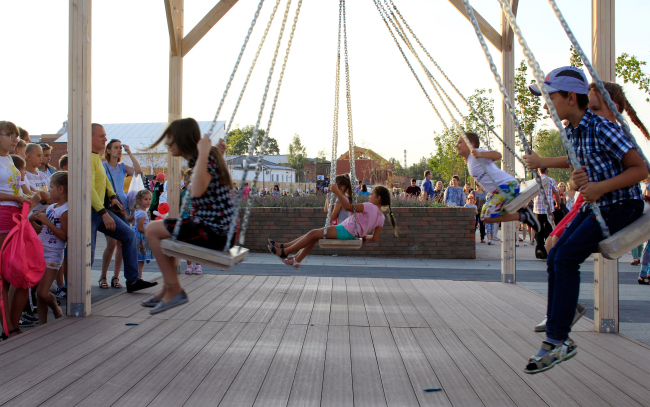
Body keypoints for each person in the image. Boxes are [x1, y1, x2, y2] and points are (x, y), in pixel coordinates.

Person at [521, 67, 648, 374]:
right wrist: (578, 179)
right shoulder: (574, 132)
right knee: (556, 253)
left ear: (570, 97)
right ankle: (558, 323)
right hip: (597, 206)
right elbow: (580, 161)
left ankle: (558, 339)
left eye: (550, 98)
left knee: (565, 257)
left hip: (620, 205)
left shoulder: (602, 127)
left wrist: (598, 187)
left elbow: (641, 168)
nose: (545, 106)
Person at [143, 118, 233, 314]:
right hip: (215, 228)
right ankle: (167, 288)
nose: (167, 144)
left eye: (171, 140)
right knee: (161, 231)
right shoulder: (206, 157)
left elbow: (198, 190)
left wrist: (203, 154)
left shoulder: (205, 157)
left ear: (182, 140)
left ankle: (173, 289)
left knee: (152, 230)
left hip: (214, 232)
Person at [90, 123, 157, 294]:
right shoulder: (92, 159)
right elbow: (88, 188)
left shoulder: (104, 161)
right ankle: (90, 282)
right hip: (94, 211)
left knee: (128, 235)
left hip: (110, 207)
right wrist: (103, 212)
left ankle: (132, 280)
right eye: (101, 136)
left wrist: (112, 197)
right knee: (91, 250)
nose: (105, 139)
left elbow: (105, 181)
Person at [269, 185, 397, 269]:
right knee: (314, 236)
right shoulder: (382, 217)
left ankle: (285, 251)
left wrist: (336, 192)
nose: (369, 196)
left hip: (347, 230)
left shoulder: (370, 207)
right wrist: (364, 237)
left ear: (378, 198)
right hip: (350, 232)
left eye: (372, 194)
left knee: (314, 233)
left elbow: (347, 207)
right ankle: (295, 258)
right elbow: (374, 238)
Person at [455, 133, 540, 243]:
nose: (456, 145)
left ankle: (523, 215)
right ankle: (521, 211)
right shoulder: (471, 159)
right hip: (499, 191)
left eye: (460, 142)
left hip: (507, 186)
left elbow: (497, 155)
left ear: (470, 144)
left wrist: (480, 154)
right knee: (484, 217)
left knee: (488, 217)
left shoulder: (477, 154)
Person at [99, 139, 142, 290]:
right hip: (110, 205)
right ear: (108, 150)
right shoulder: (103, 166)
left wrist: (130, 152)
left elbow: (139, 170)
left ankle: (116, 277)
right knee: (111, 243)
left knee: (121, 243)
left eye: (120, 148)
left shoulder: (122, 167)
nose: (119, 150)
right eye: (116, 148)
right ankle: (103, 276)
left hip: (123, 206)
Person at [30, 171, 68, 324]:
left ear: (60, 189)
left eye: (50, 187)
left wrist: (47, 222)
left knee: (43, 292)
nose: (48, 190)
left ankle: (56, 308)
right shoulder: (52, 207)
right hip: (40, 251)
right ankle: (42, 323)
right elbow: (41, 231)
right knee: (39, 293)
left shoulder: (65, 210)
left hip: (53, 254)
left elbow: (64, 236)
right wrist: (33, 220)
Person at [532, 168, 560, 259]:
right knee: (549, 230)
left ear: (539, 171)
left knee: (539, 229)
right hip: (549, 209)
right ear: (547, 171)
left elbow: (531, 194)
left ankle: (540, 248)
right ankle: (548, 249)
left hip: (537, 209)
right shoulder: (551, 180)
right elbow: (557, 194)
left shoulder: (535, 180)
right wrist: (558, 205)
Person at [179, 169, 202, 275]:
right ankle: (189, 265)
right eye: (187, 182)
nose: (188, 184)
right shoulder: (182, 192)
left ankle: (198, 265)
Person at [132, 190, 153, 279]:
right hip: (141, 238)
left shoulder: (137, 211)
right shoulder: (143, 213)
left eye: (149, 199)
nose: (148, 201)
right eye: (146, 199)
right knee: (140, 261)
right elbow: (140, 228)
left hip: (136, 236)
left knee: (139, 260)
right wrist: (150, 232)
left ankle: (138, 277)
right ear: (139, 201)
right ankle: (139, 279)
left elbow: (131, 220)